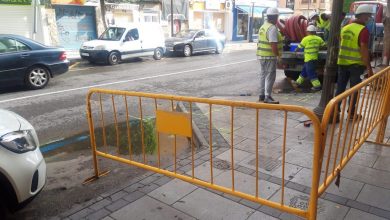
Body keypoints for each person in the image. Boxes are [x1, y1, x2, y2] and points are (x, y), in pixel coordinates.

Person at [335, 4, 374, 118]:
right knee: (354, 89)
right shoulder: (363, 30)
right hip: (356, 65)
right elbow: (364, 50)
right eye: (368, 15)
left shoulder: (345, 28)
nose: (369, 18)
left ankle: (335, 111)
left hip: (342, 63)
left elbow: (341, 42)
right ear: (364, 15)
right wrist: (369, 68)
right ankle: (351, 113)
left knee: (340, 88)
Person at [256, 7, 283, 104]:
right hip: (269, 56)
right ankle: (267, 96)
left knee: (263, 75)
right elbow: (273, 45)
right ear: (275, 17)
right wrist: (279, 56)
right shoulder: (272, 28)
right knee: (270, 76)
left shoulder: (263, 26)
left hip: (261, 55)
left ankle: (262, 95)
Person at [293, 25, 326, 91]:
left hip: (309, 59)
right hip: (315, 58)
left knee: (311, 73)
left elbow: (299, 48)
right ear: (315, 32)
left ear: (308, 32)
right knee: (304, 72)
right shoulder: (318, 38)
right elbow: (324, 46)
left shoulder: (305, 39)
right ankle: (298, 83)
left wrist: (295, 52)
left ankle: (317, 86)